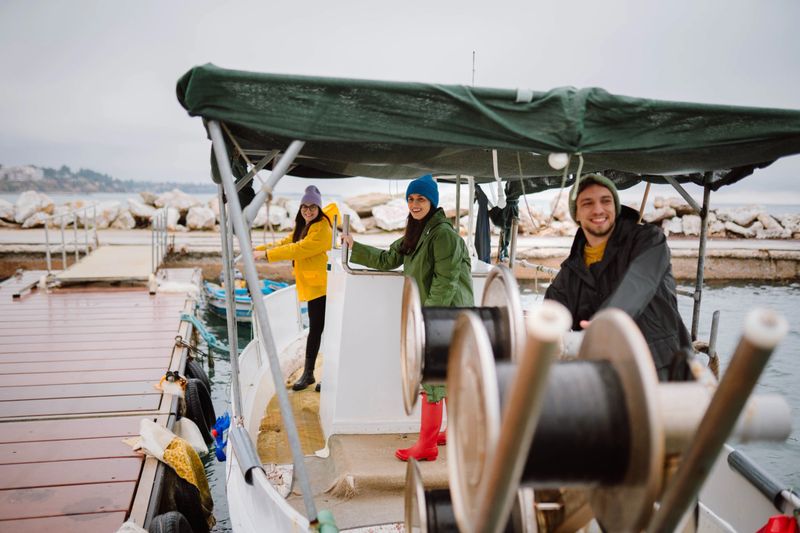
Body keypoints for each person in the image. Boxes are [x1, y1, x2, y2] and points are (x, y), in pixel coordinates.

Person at [343, 174, 474, 461]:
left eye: (421, 199)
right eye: (411, 199)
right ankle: (453, 432)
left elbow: (446, 281)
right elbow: (388, 259)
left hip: (447, 317)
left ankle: (427, 445)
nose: (414, 204)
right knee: (446, 376)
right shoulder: (417, 232)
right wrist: (355, 245)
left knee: (433, 378)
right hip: (436, 315)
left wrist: (428, 319)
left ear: (433, 202)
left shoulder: (443, 235)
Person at [544, 173, 691, 381]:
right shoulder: (571, 271)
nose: (598, 209)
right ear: (576, 214)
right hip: (609, 377)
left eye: (606, 201)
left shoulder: (648, 241)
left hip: (664, 370)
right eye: (587, 203)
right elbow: (550, 314)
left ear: (616, 207)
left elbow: (638, 284)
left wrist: (602, 324)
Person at [254, 185, 338, 391]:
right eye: (304, 207)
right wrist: (258, 248)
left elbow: (297, 249)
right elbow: (288, 241)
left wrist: (266, 256)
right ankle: (309, 374)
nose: (308, 211)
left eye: (312, 207)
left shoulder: (322, 230)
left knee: (323, 331)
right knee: (316, 330)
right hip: (314, 286)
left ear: (319, 209)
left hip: (324, 288)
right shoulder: (305, 226)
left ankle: (321, 375)